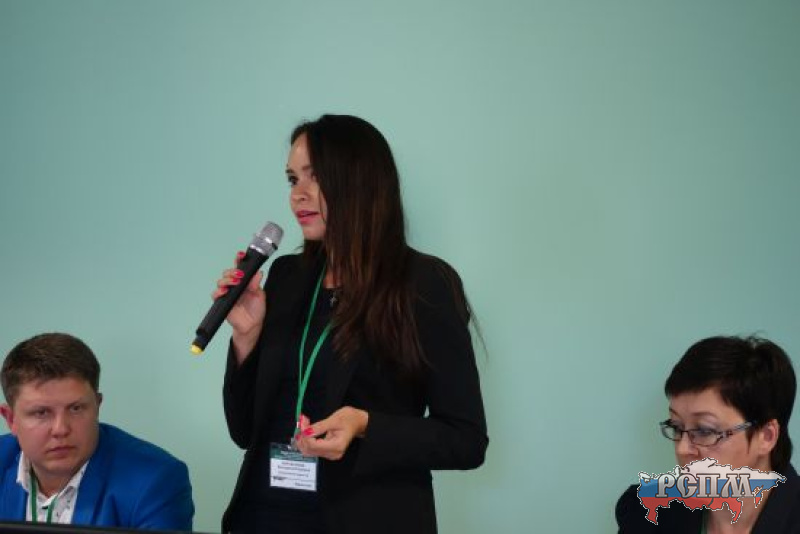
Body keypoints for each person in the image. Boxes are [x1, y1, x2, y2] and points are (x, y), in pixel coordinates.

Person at [216, 114, 488, 534]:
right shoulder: (286, 277)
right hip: (263, 516)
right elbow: (243, 431)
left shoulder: (422, 284)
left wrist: (366, 425)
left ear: (360, 181)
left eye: (316, 177)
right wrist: (246, 336)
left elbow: (466, 440)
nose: (298, 194)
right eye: (292, 179)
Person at [0, 333, 194, 530]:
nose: (61, 429)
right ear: (11, 419)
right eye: (41, 413)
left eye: (76, 408)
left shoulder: (155, 480)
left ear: (97, 406)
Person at [616, 335, 800, 533]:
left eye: (704, 430)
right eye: (677, 427)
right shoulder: (646, 513)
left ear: (766, 436)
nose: (682, 449)